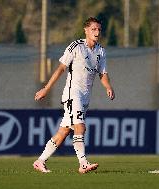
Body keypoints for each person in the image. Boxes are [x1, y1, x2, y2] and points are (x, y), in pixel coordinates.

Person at [33, 17, 115, 174]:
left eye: (99, 29)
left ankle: (40, 161)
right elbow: (60, 69)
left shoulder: (101, 51)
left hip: (85, 96)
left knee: (63, 132)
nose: (97, 32)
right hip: (73, 93)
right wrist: (46, 88)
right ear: (86, 30)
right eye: (93, 29)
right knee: (80, 127)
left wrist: (108, 87)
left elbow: (102, 74)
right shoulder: (75, 47)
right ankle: (83, 163)